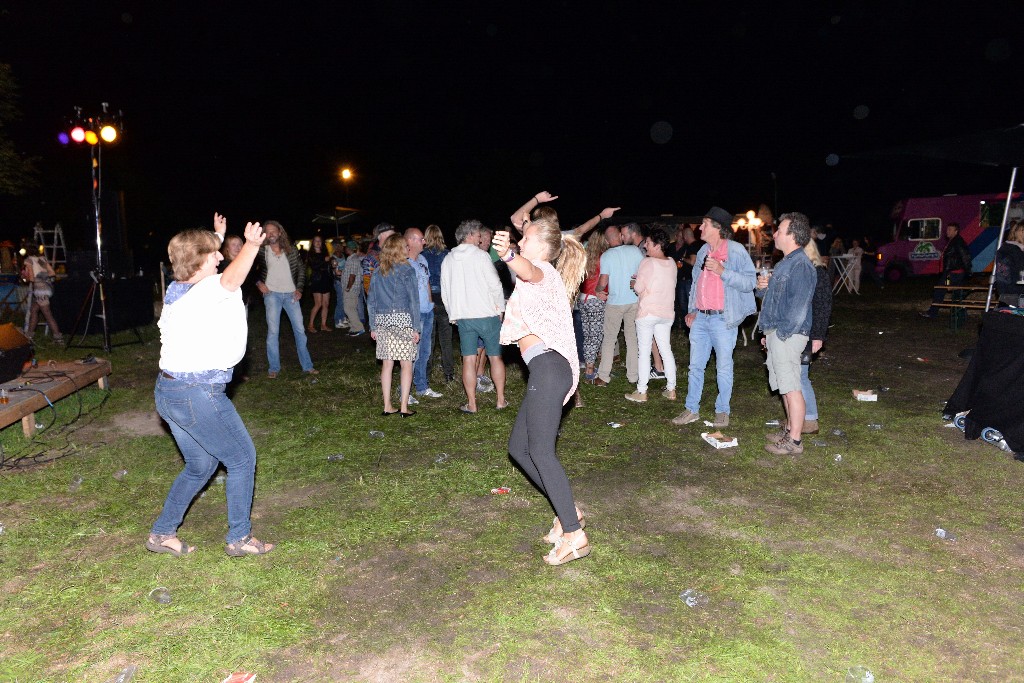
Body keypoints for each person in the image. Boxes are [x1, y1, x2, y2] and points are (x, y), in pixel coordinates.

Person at [148, 213, 274, 558]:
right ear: (201, 260)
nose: (221, 256)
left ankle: (162, 534)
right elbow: (232, 280)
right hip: (196, 395)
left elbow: (214, 268)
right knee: (242, 459)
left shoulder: (177, 288)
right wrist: (250, 245)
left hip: (169, 392)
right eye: (215, 253)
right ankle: (240, 538)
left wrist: (215, 236)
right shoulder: (207, 290)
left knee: (201, 465)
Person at [492, 217, 590, 566]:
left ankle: (574, 534)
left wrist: (507, 254)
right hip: (546, 370)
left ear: (542, 248)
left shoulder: (543, 271)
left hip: (550, 368)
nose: (521, 240)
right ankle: (570, 511)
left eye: (526, 238)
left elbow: (527, 269)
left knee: (542, 451)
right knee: (520, 448)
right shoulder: (536, 277)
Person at [671, 207, 757, 428]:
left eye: (704, 224)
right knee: (695, 367)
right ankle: (692, 409)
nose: (700, 227)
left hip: (722, 319)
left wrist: (722, 271)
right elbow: (695, 285)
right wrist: (692, 310)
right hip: (701, 318)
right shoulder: (702, 251)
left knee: (724, 367)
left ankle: (722, 411)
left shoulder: (735, 251)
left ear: (717, 227)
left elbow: (750, 283)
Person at [756, 212, 817, 455]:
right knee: (784, 384)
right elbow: (776, 301)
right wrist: (764, 291)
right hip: (778, 332)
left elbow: (798, 309)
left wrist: (780, 335)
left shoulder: (801, 265)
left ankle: (795, 441)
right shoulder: (785, 263)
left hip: (788, 334)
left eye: (780, 230)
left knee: (792, 386)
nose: (775, 234)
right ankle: (790, 429)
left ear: (792, 235)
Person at [441, 219, 507, 413]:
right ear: (469, 235)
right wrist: (500, 309)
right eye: (478, 235)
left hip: (464, 317)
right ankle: (500, 400)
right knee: (495, 357)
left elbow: (445, 291)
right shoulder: (481, 256)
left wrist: (453, 314)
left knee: (468, 359)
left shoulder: (448, 259)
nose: (480, 239)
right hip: (486, 314)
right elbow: (495, 284)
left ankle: (472, 403)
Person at [254, 220, 317, 378]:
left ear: (280, 232)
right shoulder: (261, 251)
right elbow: (249, 268)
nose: (271, 234)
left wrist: (300, 288)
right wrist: (258, 282)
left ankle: (307, 366)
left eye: (273, 231)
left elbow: (302, 269)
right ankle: (274, 368)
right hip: (271, 295)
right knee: (273, 332)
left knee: (300, 331)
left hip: (291, 295)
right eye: (267, 231)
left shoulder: (291, 250)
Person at [368, 234, 421, 417]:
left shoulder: (377, 271)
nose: (408, 248)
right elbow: (414, 301)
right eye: (405, 246)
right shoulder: (407, 270)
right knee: (406, 363)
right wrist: (416, 327)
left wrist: (373, 326)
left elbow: (371, 301)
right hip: (403, 320)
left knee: (387, 364)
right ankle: (404, 407)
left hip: (382, 321)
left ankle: (387, 405)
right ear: (399, 249)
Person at [785, 239, 833, 436]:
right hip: (794, 330)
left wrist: (818, 336)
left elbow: (823, 306)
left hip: (808, 332)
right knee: (793, 376)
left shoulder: (817, 273)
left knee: (801, 377)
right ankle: (797, 418)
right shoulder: (797, 271)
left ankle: (810, 419)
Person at [625, 227, 677, 403]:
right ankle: (671, 389)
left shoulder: (647, 262)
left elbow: (639, 288)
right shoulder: (671, 263)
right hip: (666, 312)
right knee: (666, 350)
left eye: (647, 242)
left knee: (644, 351)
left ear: (656, 245)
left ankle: (641, 391)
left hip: (648, 312)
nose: (645, 246)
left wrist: (634, 282)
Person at [593, 222, 644, 387]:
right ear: (621, 237)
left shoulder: (606, 255)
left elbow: (603, 281)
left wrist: (597, 289)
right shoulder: (635, 250)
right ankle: (633, 376)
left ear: (607, 241)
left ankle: (603, 376)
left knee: (609, 339)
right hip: (634, 301)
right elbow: (644, 271)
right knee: (632, 339)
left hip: (615, 303)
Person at [405, 227, 442, 401]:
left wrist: (430, 302)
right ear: (410, 241)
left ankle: (422, 386)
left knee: (426, 351)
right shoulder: (402, 263)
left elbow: (426, 282)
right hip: (414, 313)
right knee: (413, 352)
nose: (424, 242)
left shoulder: (422, 260)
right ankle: (405, 390)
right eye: (421, 239)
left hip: (427, 311)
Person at [422, 224, 454, 382]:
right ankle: (448, 373)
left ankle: (426, 375)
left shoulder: (421, 256)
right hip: (444, 299)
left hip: (429, 299)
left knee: (429, 340)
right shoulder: (448, 255)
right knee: (446, 340)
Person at [921, 222, 972, 317]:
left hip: (952, 274)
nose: (947, 231)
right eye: (947, 229)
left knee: (941, 288)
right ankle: (959, 312)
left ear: (956, 231)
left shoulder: (958, 242)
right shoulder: (953, 241)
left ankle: (933, 312)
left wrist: (968, 272)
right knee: (951, 290)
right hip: (952, 273)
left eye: (950, 230)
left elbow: (966, 256)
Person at [579, 229, 610, 382]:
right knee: (595, 335)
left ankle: (588, 363)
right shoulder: (604, 257)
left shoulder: (584, 256)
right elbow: (604, 278)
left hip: (583, 298)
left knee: (588, 334)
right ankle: (590, 368)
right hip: (596, 299)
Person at [22, 244, 63, 343]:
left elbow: (31, 278)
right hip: (48, 288)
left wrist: (24, 277)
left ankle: (58, 338)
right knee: (34, 309)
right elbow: (52, 273)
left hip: (40, 290)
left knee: (48, 315)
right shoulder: (42, 259)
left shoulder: (28, 260)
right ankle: (29, 335)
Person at [305, 235, 334, 333]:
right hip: (317, 279)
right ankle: (310, 325)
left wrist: (332, 263)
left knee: (326, 304)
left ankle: (323, 325)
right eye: (316, 241)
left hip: (326, 279)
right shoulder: (310, 254)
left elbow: (328, 265)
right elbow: (314, 265)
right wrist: (324, 260)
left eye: (319, 241)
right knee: (318, 304)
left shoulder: (325, 253)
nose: (318, 242)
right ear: (313, 243)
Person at [994, 221, 1024, 306]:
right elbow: (1003, 276)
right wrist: (1008, 297)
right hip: (1014, 295)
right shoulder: (1007, 251)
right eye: (1022, 231)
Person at [341, 241, 367, 336]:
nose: (345, 249)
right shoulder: (351, 259)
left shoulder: (353, 260)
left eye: (346, 247)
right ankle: (353, 328)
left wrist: (348, 287)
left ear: (349, 248)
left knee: (348, 308)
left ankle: (359, 328)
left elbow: (352, 276)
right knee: (352, 308)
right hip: (352, 288)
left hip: (351, 289)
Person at [330, 241, 349, 329]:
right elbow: (336, 272)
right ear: (335, 247)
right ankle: (337, 321)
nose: (341, 247)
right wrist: (347, 273)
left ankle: (343, 318)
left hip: (344, 280)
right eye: (338, 245)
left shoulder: (343, 255)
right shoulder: (333, 258)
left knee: (344, 300)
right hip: (338, 281)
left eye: (341, 245)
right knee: (340, 300)